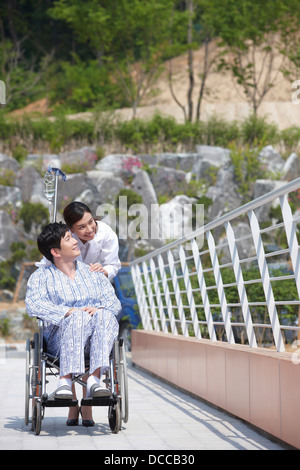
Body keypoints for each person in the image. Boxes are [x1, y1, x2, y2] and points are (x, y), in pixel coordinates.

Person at [25, 222, 121, 426]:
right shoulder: (41, 277)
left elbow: (114, 303)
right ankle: (64, 383)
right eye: (68, 238)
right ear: (55, 251)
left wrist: (100, 310)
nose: (75, 240)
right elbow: (34, 304)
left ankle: (95, 379)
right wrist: (68, 312)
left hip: (96, 339)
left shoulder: (94, 273)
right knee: (78, 317)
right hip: (59, 342)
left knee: (106, 315)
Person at [63, 201, 121, 280]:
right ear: (71, 229)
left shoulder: (106, 233)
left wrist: (103, 271)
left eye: (91, 222)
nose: (90, 230)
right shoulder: (63, 237)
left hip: (94, 281)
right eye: (82, 227)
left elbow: (113, 265)